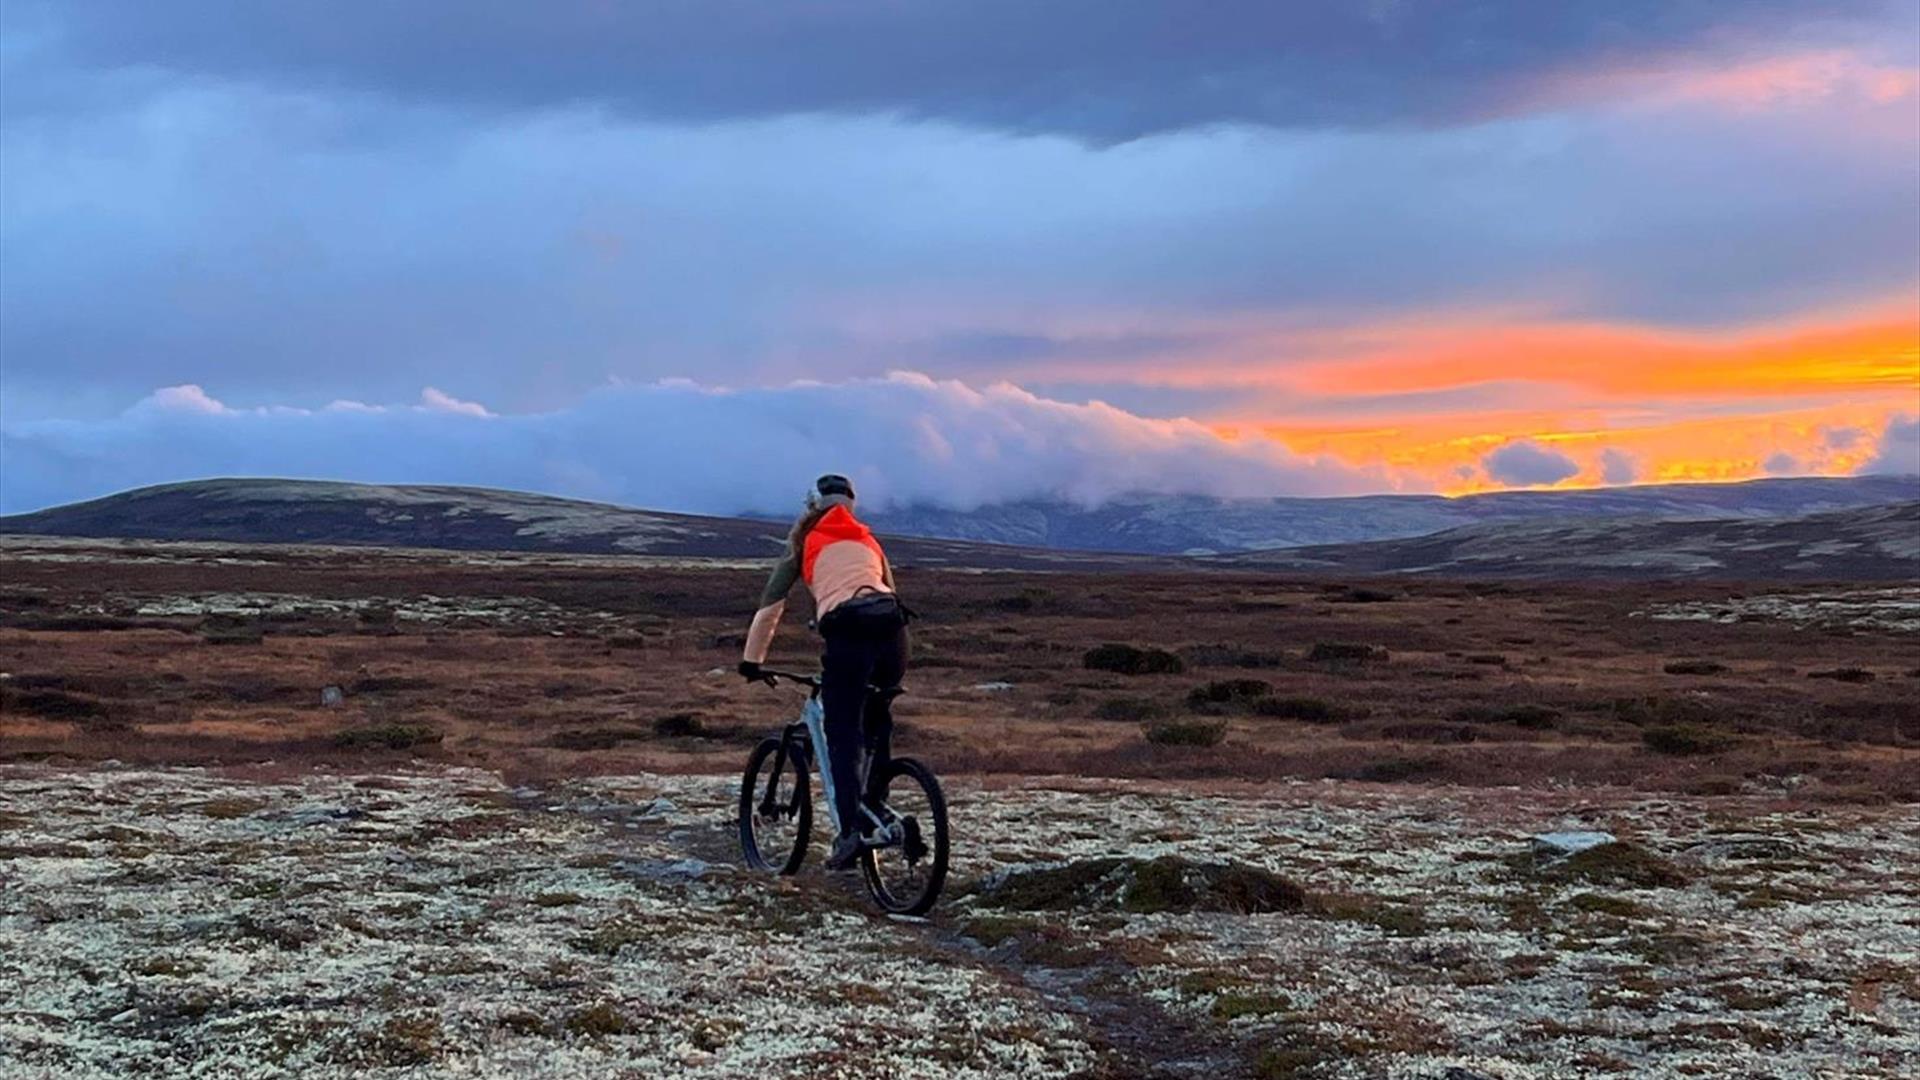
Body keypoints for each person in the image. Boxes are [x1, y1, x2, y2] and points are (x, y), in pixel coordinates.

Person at [739, 474, 909, 871]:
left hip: (849, 632)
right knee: (877, 721)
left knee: (842, 731)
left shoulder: (806, 541)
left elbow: (771, 604)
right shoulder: (869, 540)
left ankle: (849, 833)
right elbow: (892, 596)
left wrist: (752, 660)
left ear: (812, 506)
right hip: (893, 634)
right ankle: (876, 805)